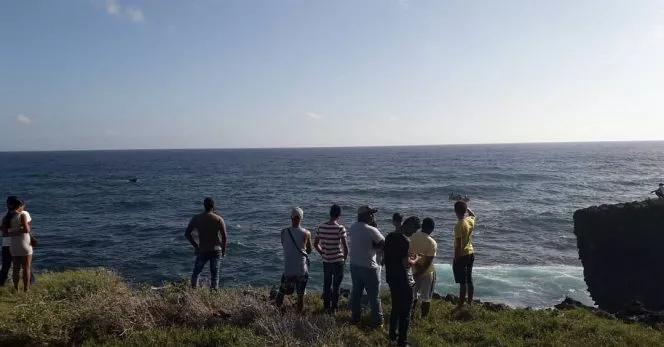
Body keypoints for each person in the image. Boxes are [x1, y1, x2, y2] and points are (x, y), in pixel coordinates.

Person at [384, 216, 421, 347]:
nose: (414, 233)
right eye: (414, 229)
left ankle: (392, 336)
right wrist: (415, 259)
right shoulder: (405, 241)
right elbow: (406, 264)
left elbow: (388, 257)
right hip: (404, 280)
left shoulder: (389, 237)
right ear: (408, 225)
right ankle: (402, 342)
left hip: (391, 277)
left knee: (395, 307)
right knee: (405, 312)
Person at [348, 205, 385, 327]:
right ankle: (377, 321)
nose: (372, 216)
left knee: (356, 294)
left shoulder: (352, 228)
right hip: (369, 267)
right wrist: (374, 247)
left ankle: (355, 318)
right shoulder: (372, 230)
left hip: (354, 265)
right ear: (364, 216)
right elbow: (384, 244)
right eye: (370, 214)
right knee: (374, 297)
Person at [185, 197, 228, 290]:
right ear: (213, 206)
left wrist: (195, 245)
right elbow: (224, 237)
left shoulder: (196, 218)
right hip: (216, 250)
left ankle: (193, 292)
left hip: (202, 250)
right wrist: (223, 251)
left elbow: (187, 234)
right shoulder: (219, 219)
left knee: (196, 273)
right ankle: (213, 295)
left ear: (204, 205)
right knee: (215, 275)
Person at [276, 207, 313, 313]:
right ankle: (298, 317)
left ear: (290, 217)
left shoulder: (284, 232)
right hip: (301, 269)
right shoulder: (306, 233)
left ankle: (277, 312)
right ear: (302, 218)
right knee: (300, 296)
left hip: (288, 269)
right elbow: (309, 251)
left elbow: (284, 245)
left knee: (282, 292)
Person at [314, 204, 348, 313]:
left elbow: (315, 244)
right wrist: (345, 259)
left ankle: (326, 307)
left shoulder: (321, 228)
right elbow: (345, 247)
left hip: (327, 261)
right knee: (336, 286)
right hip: (338, 261)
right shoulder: (340, 228)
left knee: (327, 285)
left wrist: (322, 253)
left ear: (330, 213)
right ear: (339, 215)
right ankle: (334, 308)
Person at [1, 196, 33, 292]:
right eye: (23, 205)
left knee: (10, 267)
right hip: (24, 243)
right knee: (26, 267)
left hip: (10, 245)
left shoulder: (4, 217)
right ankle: (27, 288)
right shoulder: (24, 214)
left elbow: (4, 233)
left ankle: (12, 288)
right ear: (19, 206)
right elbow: (27, 229)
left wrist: (10, 232)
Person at [410, 217, 437, 319]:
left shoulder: (412, 237)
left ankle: (410, 315)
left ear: (422, 226)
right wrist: (420, 272)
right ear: (432, 229)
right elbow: (428, 261)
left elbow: (411, 254)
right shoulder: (432, 242)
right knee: (426, 298)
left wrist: (416, 269)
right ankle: (423, 318)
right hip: (426, 273)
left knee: (412, 296)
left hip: (413, 270)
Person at [453, 201, 476, 307]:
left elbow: (458, 245)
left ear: (455, 211)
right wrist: (467, 208)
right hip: (470, 252)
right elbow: (473, 215)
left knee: (462, 282)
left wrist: (455, 258)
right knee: (469, 279)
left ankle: (460, 304)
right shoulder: (469, 221)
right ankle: (469, 302)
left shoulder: (459, 225)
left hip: (462, 255)